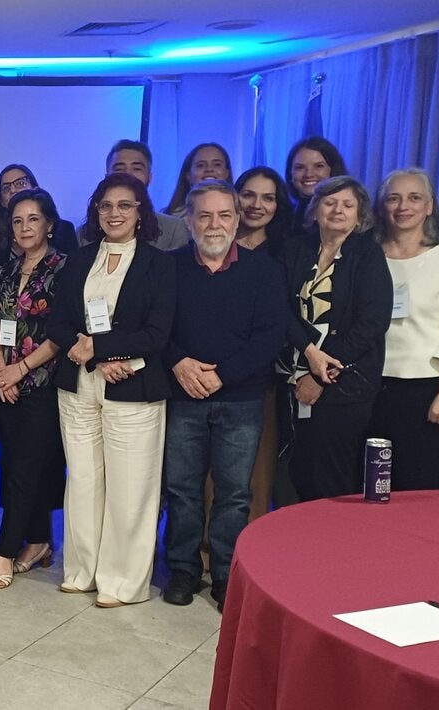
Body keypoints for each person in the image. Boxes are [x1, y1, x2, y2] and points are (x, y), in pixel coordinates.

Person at [48, 172, 175, 607]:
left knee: (130, 487)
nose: (114, 213)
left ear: (141, 212)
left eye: (125, 205)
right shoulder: (79, 260)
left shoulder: (161, 264)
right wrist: (96, 356)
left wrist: (105, 350)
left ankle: (122, 582)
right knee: (82, 482)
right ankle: (83, 570)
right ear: (95, 212)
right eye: (106, 205)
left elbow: (158, 332)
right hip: (80, 385)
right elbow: (58, 324)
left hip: (134, 387)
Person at [159, 180, 286, 612]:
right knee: (181, 488)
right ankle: (183, 569)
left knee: (234, 492)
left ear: (236, 218)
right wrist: (179, 362)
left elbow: (271, 335)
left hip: (241, 399)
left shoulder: (263, 271)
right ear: (189, 220)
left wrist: (223, 376)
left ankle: (227, 573)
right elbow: (157, 329)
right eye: (205, 215)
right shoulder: (168, 268)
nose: (215, 224)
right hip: (182, 395)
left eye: (224, 215)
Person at [280, 176, 392, 501]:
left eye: (347, 205)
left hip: (345, 385)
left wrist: (321, 372)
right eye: (329, 203)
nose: (338, 210)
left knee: (333, 478)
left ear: (360, 215)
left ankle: (334, 548)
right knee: (297, 472)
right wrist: (309, 352)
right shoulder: (295, 248)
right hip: (291, 378)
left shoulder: (367, 255)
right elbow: (280, 309)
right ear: (315, 210)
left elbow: (372, 323)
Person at [368, 168, 439, 490]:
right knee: (372, 485)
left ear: (429, 207)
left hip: (426, 389)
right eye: (394, 198)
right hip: (369, 385)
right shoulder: (367, 257)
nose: (403, 207)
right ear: (382, 206)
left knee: (423, 487)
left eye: (414, 198)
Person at [0, 188, 68, 589]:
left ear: (49, 223)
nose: (24, 227)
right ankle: (38, 542)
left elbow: (61, 334)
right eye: (17, 220)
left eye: (33, 219)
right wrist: (2, 371)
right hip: (5, 385)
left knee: (27, 471)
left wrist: (20, 370)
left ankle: (4, 553)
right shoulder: (5, 270)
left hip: (43, 385)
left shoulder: (66, 269)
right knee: (16, 467)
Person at [233, 166, 298, 519]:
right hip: (211, 373)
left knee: (257, 467)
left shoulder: (288, 251)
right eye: (249, 195)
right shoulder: (215, 242)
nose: (257, 205)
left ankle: (249, 548)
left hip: (268, 375)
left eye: (268, 197)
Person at [95, 140, 191, 251]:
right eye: (119, 169)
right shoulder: (84, 234)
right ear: (107, 176)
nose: (128, 174)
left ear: (149, 177)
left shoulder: (173, 229)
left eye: (136, 169)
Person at [0, 164, 78, 255]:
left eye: (20, 183)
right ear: (1, 201)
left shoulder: (64, 230)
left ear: (34, 188)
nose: (13, 190)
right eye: (6, 188)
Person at [284, 137, 349, 242]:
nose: (309, 174)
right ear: (290, 173)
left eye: (319, 166)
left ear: (333, 171)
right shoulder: (282, 217)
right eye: (300, 167)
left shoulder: (347, 215)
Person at [164, 143, 233, 216]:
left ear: (227, 173)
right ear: (188, 175)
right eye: (201, 165)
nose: (209, 169)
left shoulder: (240, 215)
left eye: (217, 165)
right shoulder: (169, 220)